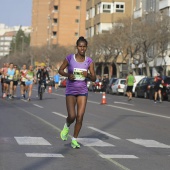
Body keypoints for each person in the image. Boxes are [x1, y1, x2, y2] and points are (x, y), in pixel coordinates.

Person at [59, 36, 96, 149]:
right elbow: (60, 70)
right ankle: (67, 125)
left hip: (82, 91)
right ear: (77, 47)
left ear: (86, 48)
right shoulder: (70, 58)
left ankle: (74, 139)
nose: (82, 48)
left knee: (80, 117)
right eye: (80, 46)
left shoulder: (89, 61)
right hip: (70, 90)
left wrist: (88, 75)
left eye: (84, 47)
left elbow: (94, 78)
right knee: (72, 116)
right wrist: (68, 75)